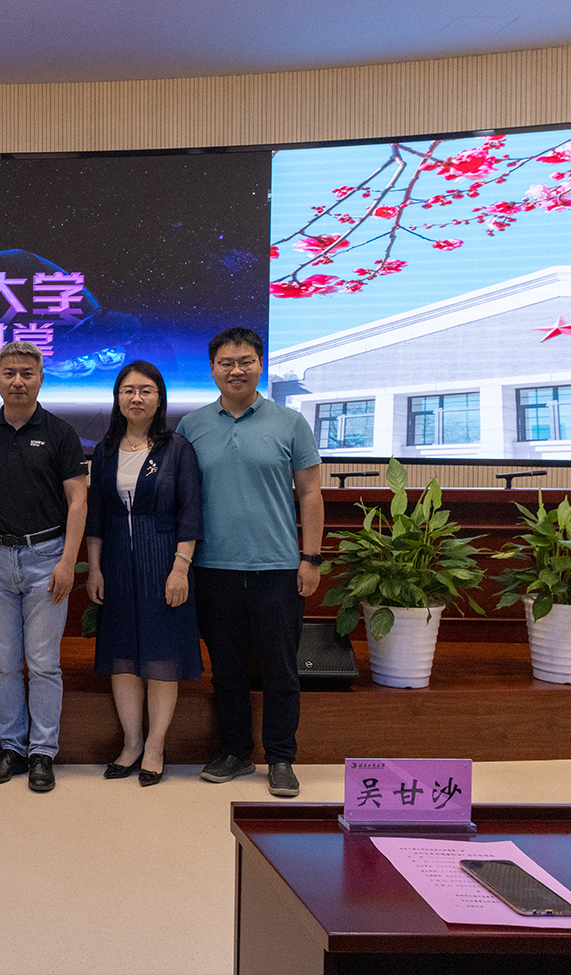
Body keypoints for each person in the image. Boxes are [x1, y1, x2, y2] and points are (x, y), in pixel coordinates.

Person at [175, 327, 323, 798]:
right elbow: (181, 498)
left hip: (277, 568)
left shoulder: (290, 423)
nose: (236, 370)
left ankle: (280, 758)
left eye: (245, 361)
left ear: (260, 364)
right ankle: (236, 752)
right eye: (226, 363)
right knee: (227, 669)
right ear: (212, 369)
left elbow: (311, 493)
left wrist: (311, 557)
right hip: (213, 568)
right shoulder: (191, 426)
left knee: (281, 669)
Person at [0, 340, 88, 793]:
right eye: (9, 373)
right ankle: (12, 748)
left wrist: (68, 561)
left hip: (47, 559)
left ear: (41, 379)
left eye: (26, 373)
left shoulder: (61, 433)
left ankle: (42, 752)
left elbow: (78, 500)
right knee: (3, 664)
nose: (18, 381)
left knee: (42, 663)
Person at [83, 362, 203, 787]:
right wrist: (94, 568)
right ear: (118, 398)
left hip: (163, 561)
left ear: (159, 398)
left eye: (146, 390)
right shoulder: (105, 450)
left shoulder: (177, 448)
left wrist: (180, 568)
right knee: (122, 657)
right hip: (116, 562)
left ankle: (155, 746)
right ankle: (131, 743)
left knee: (161, 656)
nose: (136, 397)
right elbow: (96, 516)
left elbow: (190, 512)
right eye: (128, 390)